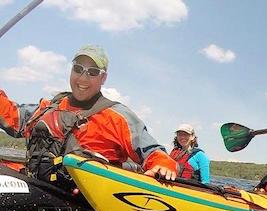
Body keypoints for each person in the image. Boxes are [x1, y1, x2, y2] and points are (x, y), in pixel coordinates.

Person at [0, 44, 176, 193]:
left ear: (103, 78)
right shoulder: (49, 106)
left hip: (82, 200)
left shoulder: (117, 116)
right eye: (78, 69)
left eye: (92, 72)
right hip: (37, 187)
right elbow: (13, 117)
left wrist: (163, 164)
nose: (83, 78)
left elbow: (152, 151)